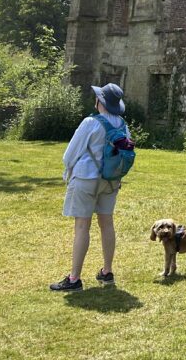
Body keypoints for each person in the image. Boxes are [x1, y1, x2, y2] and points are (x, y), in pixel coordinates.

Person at [50, 83, 130, 292]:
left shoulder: (90, 123)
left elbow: (70, 154)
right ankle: (107, 271)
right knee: (107, 224)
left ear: (100, 102)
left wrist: (68, 171)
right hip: (111, 179)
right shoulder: (122, 124)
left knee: (82, 227)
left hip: (86, 177)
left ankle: (74, 278)